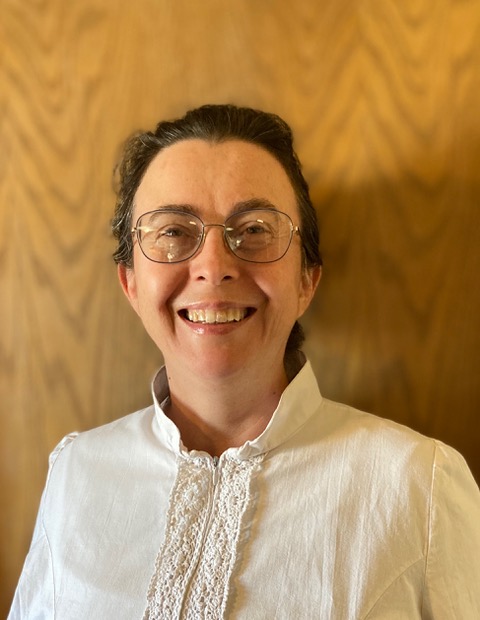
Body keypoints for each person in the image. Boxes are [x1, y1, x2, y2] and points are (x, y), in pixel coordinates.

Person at [9, 104, 480, 619]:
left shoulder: (420, 485)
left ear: (306, 280)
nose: (214, 266)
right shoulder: (76, 473)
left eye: (255, 229)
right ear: (131, 283)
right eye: (172, 232)